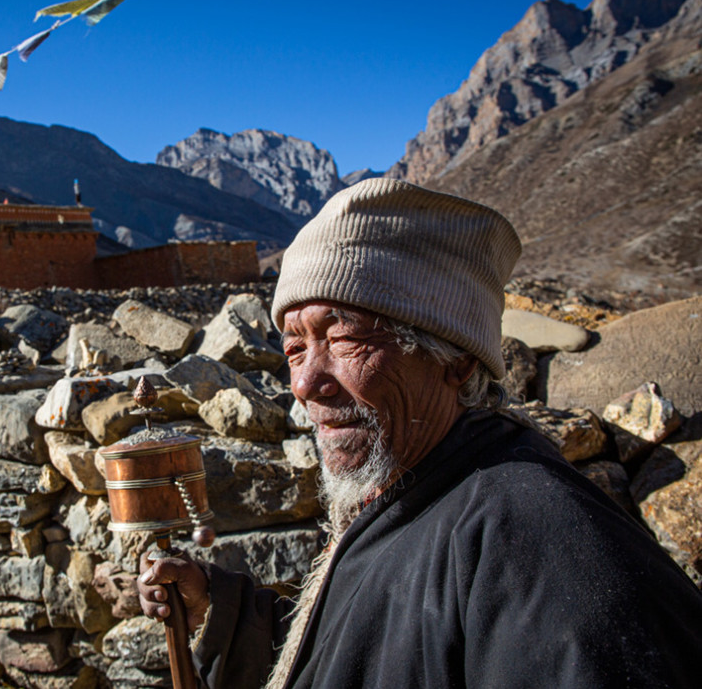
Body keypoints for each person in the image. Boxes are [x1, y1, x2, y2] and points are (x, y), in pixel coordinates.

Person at [137, 178, 702, 688]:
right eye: (294, 347)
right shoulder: (411, 489)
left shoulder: (539, 547)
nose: (306, 383)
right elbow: (365, 653)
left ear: (455, 360)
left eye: (344, 338)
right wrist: (220, 609)